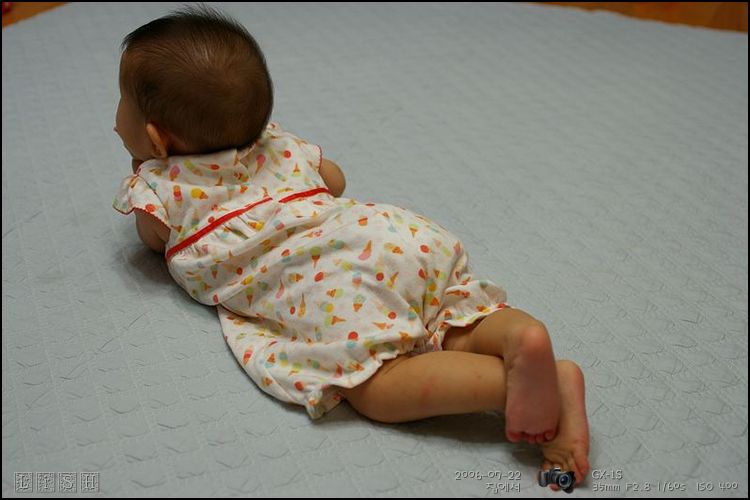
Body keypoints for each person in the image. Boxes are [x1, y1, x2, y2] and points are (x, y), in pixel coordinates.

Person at [112, 6, 589, 487]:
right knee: (450, 314)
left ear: (156, 139)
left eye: (121, 104)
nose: (115, 121)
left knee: (377, 384)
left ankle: (511, 387)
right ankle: (516, 336)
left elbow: (155, 242)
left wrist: (148, 174)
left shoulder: (159, 191)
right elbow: (335, 181)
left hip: (340, 283)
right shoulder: (276, 144)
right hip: (390, 236)